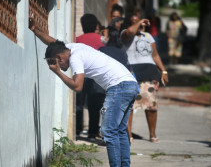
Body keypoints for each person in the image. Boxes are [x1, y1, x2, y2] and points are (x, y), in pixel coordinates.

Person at [29, 17, 139, 167]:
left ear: (60, 58)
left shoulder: (75, 57)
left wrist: (58, 73)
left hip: (118, 86)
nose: (60, 67)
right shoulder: (71, 47)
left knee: (108, 131)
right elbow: (53, 43)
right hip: (130, 83)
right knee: (119, 131)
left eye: (57, 64)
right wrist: (35, 30)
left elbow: (77, 87)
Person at [121, 14, 169, 143]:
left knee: (151, 106)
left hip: (149, 73)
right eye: (134, 22)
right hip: (132, 73)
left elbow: (155, 55)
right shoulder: (125, 34)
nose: (139, 24)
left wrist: (163, 70)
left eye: (139, 22)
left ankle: (152, 134)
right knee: (130, 107)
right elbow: (130, 31)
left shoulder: (148, 36)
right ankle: (128, 134)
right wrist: (139, 21)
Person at [75, 14, 105, 140]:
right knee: (95, 105)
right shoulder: (102, 40)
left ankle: (77, 129)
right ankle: (92, 132)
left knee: (79, 104)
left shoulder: (77, 39)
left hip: (81, 74)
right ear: (95, 26)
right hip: (96, 76)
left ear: (82, 26)